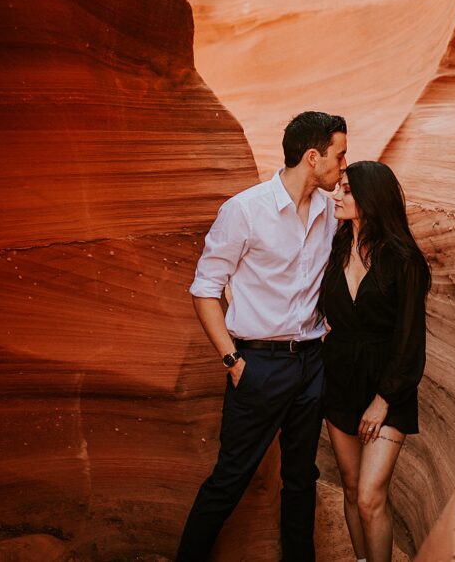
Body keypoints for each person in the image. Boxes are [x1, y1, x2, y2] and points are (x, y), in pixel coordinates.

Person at [175, 111, 348, 562]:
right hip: (257, 365)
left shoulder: (332, 213)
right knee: (230, 476)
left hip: (311, 363)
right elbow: (205, 290)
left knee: (301, 478)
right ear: (313, 157)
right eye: (340, 156)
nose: (343, 166)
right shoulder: (244, 211)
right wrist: (232, 359)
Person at [319, 161, 430, 562]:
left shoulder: (404, 261)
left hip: (389, 386)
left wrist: (384, 398)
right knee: (350, 487)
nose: (337, 194)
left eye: (347, 190)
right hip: (340, 379)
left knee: (369, 496)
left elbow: (410, 340)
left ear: (370, 198)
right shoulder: (332, 248)